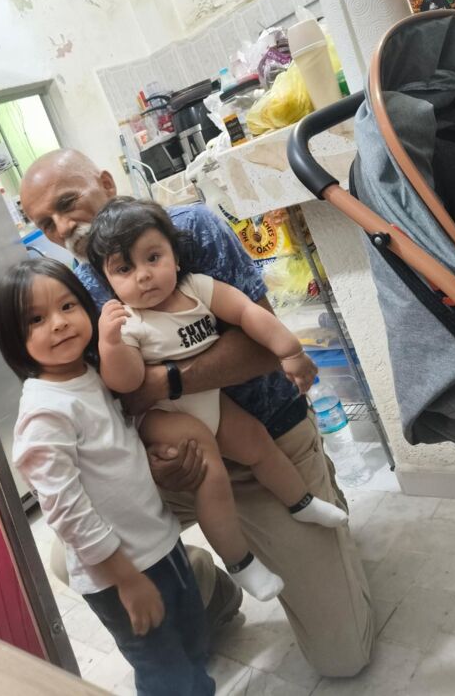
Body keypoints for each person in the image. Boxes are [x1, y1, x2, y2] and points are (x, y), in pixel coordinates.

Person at [19, 148, 375, 677]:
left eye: (67, 203)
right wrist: (150, 455)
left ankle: (319, 506)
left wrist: (166, 381)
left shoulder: (190, 231)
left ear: (107, 183)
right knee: (74, 558)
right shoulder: (76, 291)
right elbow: (111, 396)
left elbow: (263, 345)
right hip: (179, 461)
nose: (63, 226)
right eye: (46, 223)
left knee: (343, 657)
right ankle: (206, 589)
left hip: (265, 438)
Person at [88, 196, 349, 602]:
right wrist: (109, 342)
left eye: (153, 257)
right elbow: (129, 381)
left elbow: (247, 312)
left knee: (257, 442)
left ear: (175, 256)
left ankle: (301, 502)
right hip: (164, 416)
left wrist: (290, 351)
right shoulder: (128, 323)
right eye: (124, 269)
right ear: (109, 282)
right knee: (210, 474)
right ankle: (240, 562)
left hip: (209, 400)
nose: (143, 275)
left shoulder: (196, 288)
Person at [0, 257, 215, 696]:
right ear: (14, 338)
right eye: (36, 319)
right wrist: (126, 579)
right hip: (118, 573)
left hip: (159, 541)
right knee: (163, 670)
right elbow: (67, 511)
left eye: (68, 306)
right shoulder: (44, 412)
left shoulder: (90, 372)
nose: (59, 323)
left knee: (192, 639)